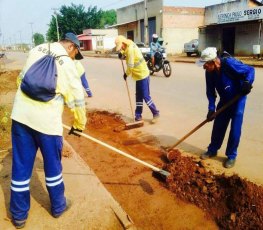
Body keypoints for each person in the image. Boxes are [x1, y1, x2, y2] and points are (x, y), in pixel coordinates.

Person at [10, 32, 87, 228]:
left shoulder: (37, 49)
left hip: (20, 117)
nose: (74, 58)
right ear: (71, 47)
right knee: (53, 167)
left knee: (20, 167)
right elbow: (77, 100)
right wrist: (79, 125)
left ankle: (18, 216)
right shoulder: (69, 65)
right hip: (47, 124)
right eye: (75, 54)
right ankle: (59, 207)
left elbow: (20, 81)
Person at [196, 47, 255, 168]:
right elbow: (210, 92)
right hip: (225, 100)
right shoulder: (209, 73)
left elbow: (250, 70)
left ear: (213, 62)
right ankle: (212, 149)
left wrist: (247, 83)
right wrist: (211, 108)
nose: (203, 67)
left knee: (235, 129)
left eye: (205, 64)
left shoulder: (229, 64)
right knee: (218, 125)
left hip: (238, 99)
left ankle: (231, 156)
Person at [115, 35, 160, 123]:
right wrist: (122, 54)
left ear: (123, 43)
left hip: (143, 74)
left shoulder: (131, 49)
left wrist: (126, 74)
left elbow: (131, 66)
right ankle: (138, 115)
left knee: (145, 96)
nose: (121, 48)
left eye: (121, 47)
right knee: (138, 96)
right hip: (138, 76)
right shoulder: (129, 45)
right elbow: (125, 52)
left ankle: (155, 113)